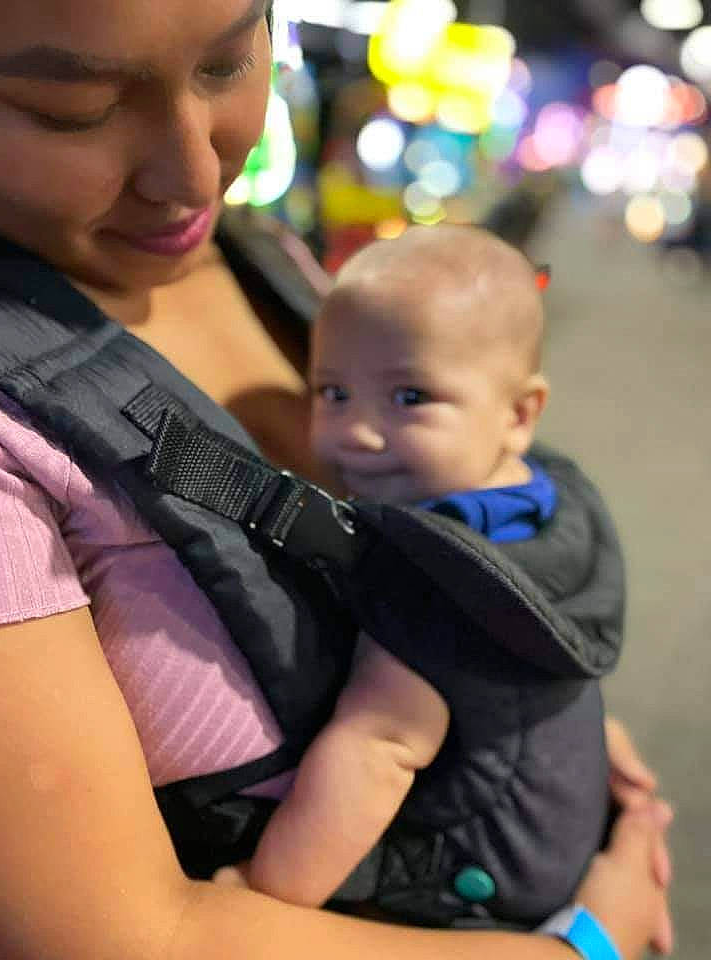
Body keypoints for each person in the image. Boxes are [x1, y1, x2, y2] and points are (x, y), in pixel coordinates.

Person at [0, 2, 673, 959]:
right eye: (71, 108)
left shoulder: (254, 253)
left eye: (227, 65)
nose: (194, 175)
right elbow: (116, 936)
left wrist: (534, 706)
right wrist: (585, 948)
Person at [243, 224, 613, 917]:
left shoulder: (437, 573)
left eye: (410, 398)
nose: (357, 431)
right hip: (558, 818)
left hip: (477, 872)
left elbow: (378, 746)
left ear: (520, 413)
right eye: (332, 392)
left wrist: (269, 897)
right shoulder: (548, 504)